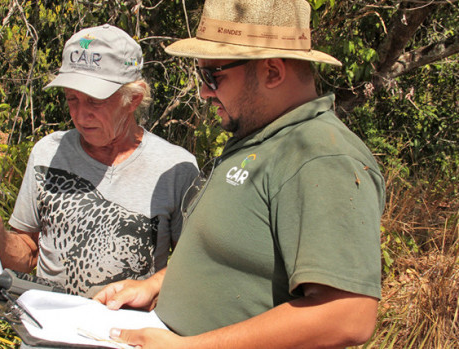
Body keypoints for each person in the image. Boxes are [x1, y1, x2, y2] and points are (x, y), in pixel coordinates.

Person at [93, 0, 386, 348]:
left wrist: (189, 348)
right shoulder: (261, 138)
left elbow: (348, 315)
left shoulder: (320, 156)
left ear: (272, 73)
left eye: (212, 76)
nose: (202, 92)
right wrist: (155, 285)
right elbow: (240, 259)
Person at [0, 24, 199, 298]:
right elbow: (29, 254)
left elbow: (193, 267)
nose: (81, 115)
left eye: (95, 101)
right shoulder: (48, 153)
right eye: (72, 98)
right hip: (47, 333)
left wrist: (150, 291)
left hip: (126, 337)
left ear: (133, 99)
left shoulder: (176, 169)